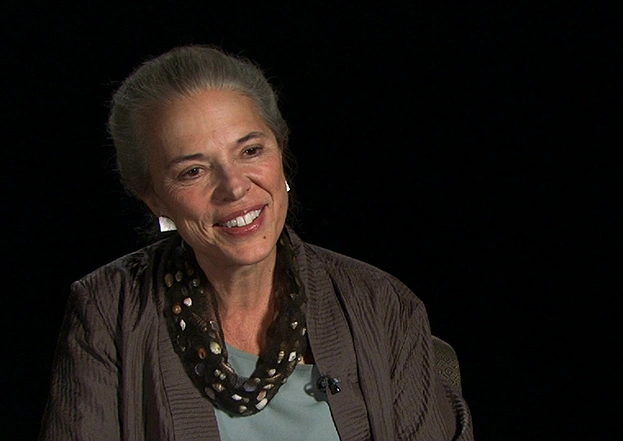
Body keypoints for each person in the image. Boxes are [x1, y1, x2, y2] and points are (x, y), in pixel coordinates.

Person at [38, 44, 473, 441]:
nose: (233, 188)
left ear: (280, 153)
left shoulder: (383, 306)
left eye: (250, 151)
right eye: (193, 171)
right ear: (153, 196)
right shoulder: (105, 310)